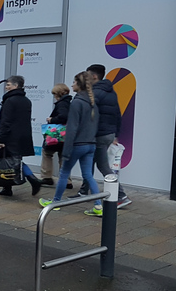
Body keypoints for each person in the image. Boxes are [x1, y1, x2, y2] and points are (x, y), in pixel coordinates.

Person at [39, 72, 104, 217]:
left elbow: (72, 128)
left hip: (77, 144)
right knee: (88, 175)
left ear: (79, 85)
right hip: (90, 144)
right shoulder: (93, 103)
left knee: (64, 173)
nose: (72, 84)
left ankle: (55, 203)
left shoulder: (77, 103)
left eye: (74, 82)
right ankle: (98, 205)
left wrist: (67, 149)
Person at [75, 64, 132, 208]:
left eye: (88, 75)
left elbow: (89, 115)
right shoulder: (111, 92)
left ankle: (121, 195)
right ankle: (83, 191)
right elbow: (118, 115)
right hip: (108, 133)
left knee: (102, 165)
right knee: (91, 162)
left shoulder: (95, 92)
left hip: (98, 134)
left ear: (94, 76)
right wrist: (116, 134)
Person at [0, 75, 44, 196]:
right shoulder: (26, 100)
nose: (6, 87)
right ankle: (7, 188)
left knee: (11, 161)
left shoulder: (10, 101)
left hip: (10, 137)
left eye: (8, 84)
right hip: (22, 137)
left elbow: (5, 121)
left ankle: (32, 179)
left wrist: (1, 139)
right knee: (13, 161)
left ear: (16, 86)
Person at [40, 83, 73, 189]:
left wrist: (51, 120)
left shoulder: (62, 104)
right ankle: (67, 180)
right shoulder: (69, 103)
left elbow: (63, 117)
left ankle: (47, 177)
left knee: (47, 153)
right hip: (66, 135)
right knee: (63, 157)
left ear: (57, 94)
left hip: (57, 135)